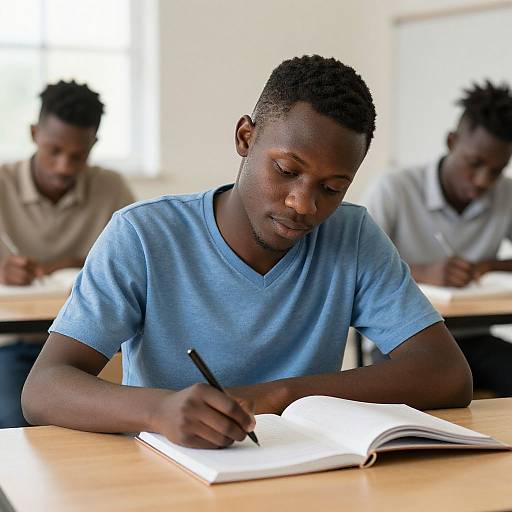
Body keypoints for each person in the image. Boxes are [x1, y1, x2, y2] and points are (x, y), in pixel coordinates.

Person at [22, 56, 472, 449]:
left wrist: (279, 395)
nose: (303, 204)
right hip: (168, 471)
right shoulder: (143, 234)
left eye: (333, 188)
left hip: (303, 465)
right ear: (245, 137)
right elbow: (43, 388)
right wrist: (157, 410)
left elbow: (447, 373)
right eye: (286, 170)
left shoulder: (351, 235)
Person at [363, 80, 512, 397]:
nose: (483, 180)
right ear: (452, 141)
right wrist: (423, 272)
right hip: (402, 340)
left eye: (496, 171)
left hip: (473, 337)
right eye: (475, 164)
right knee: (407, 399)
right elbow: (358, 267)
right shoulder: (395, 189)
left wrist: (491, 265)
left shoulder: (506, 195)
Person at [0, 80, 135, 427]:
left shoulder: (111, 187)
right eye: (54, 150)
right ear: (33, 134)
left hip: (93, 348)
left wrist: (65, 263)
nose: (63, 166)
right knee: (18, 432)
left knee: (105, 438)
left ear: (94, 145)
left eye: (79, 156)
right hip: (16, 344)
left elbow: (137, 261)